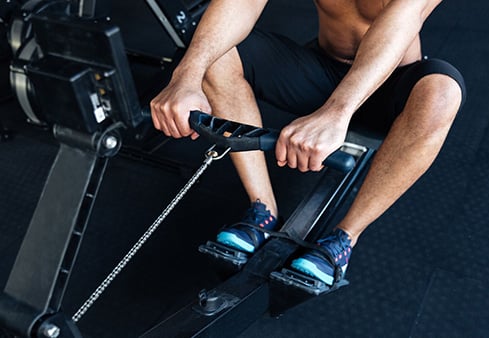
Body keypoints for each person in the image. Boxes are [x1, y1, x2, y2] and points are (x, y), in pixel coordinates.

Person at [150, 0, 466, 286]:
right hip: (322, 70)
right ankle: (262, 211)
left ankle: (345, 239)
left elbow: (401, 20)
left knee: (442, 92)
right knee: (217, 55)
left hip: (390, 83)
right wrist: (186, 78)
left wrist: (337, 112)